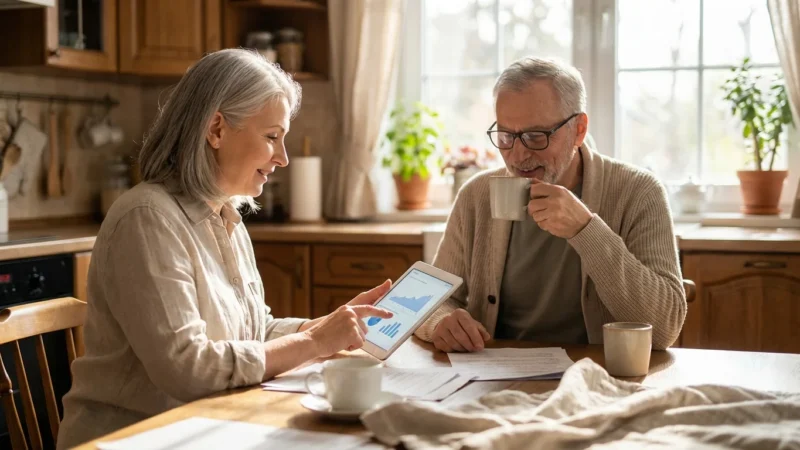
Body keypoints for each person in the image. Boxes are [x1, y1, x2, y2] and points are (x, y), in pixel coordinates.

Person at [57, 49, 393, 449]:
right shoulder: (147, 218)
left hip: (206, 429)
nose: (283, 158)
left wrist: (328, 327)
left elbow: (254, 331)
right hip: (135, 439)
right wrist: (315, 344)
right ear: (216, 129)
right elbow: (187, 367)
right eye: (272, 137)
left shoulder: (225, 216)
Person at [414, 57, 686, 353]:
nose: (517, 156)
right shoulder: (476, 196)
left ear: (579, 130)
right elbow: (428, 301)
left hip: (597, 376)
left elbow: (663, 329)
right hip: (493, 377)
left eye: (535, 136)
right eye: (506, 136)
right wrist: (441, 322)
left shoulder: (639, 192)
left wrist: (586, 230)